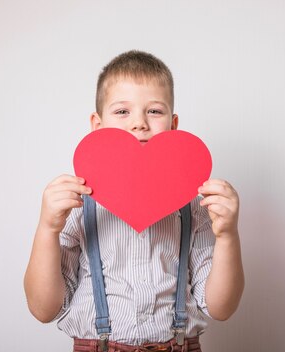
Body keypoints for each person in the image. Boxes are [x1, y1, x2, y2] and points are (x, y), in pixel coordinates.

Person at [24, 50, 244, 352]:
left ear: (173, 125)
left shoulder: (194, 205)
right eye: (122, 111)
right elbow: (43, 309)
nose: (139, 123)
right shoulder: (76, 202)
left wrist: (228, 235)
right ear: (97, 125)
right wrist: (47, 229)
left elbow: (221, 307)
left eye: (154, 111)